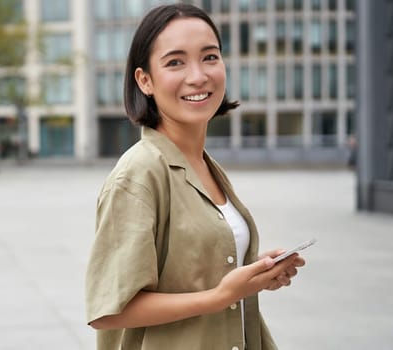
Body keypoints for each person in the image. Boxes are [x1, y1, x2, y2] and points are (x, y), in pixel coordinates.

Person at [85, 4, 306, 349]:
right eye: (175, 62)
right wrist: (219, 296)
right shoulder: (138, 174)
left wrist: (255, 278)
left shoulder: (205, 165)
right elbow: (108, 310)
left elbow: (207, 275)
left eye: (210, 57)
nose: (198, 75)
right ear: (144, 80)